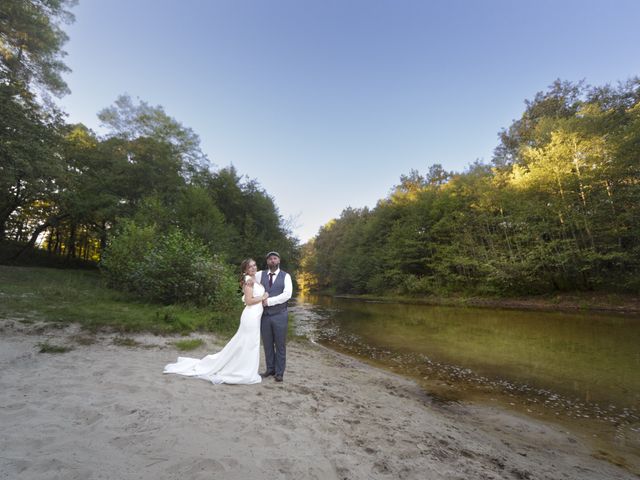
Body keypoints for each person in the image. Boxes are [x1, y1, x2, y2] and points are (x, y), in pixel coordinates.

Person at [163, 258, 268, 384]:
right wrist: (263, 297)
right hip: (250, 316)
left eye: (254, 265)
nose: (253, 268)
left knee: (248, 343)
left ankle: (243, 368)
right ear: (245, 269)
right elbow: (249, 301)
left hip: (255, 316)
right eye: (250, 266)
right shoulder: (249, 281)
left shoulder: (254, 279)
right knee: (247, 343)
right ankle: (240, 370)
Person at [256, 251, 293, 382]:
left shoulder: (286, 276)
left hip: (280, 315)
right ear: (267, 261)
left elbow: (287, 294)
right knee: (267, 344)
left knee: (280, 344)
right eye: (270, 259)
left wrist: (269, 301)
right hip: (264, 316)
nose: (272, 260)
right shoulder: (260, 274)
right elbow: (248, 279)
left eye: (275, 258)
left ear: (279, 261)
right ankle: (270, 369)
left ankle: (279, 373)